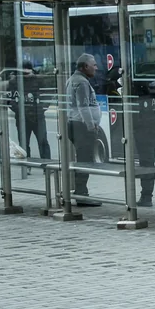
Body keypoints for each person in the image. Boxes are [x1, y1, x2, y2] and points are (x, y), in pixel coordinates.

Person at [66, 53, 102, 206]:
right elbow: (83, 106)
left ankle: (81, 192)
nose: (96, 68)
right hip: (81, 126)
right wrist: (91, 125)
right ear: (85, 66)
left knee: (82, 159)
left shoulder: (73, 79)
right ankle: (82, 195)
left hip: (75, 124)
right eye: (94, 65)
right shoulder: (81, 82)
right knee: (84, 161)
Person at [13, 62, 51, 160]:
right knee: (24, 143)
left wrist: (41, 108)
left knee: (42, 142)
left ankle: (47, 165)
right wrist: (19, 110)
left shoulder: (39, 81)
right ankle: (26, 166)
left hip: (37, 116)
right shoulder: (15, 81)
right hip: (23, 117)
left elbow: (46, 96)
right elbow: (10, 99)